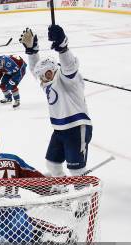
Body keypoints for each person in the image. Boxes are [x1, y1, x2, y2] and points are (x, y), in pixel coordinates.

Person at [20, 25, 92, 177]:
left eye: (46, 74)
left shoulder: (66, 78)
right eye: (41, 76)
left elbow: (69, 66)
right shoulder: (46, 81)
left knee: (76, 170)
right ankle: (61, 188)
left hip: (76, 128)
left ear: (53, 69)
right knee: (52, 165)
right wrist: (33, 51)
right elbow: (35, 69)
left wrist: (63, 48)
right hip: (59, 130)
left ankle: (84, 198)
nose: (42, 78)